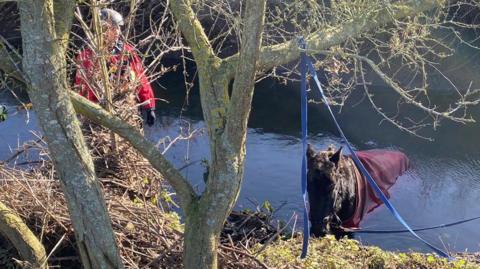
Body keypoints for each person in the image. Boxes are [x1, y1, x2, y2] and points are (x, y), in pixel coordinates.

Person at [74, 8, 156, 126]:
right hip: (96, 114)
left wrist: (149, 107)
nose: (117, 32)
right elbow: (82, 88)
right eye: (113, 28)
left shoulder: (126, 52)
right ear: (102, 30)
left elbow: (141, 79)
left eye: (118, 28)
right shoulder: (87, 56)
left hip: (126, 112)